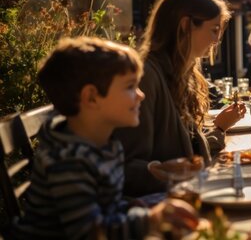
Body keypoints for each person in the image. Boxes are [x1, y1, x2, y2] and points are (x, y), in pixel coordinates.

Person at [14, 37, 198, 239]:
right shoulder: (69, 161)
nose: (141, 95)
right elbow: (91, 233)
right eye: (130, 87)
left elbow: (109, 208)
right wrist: (151, 219)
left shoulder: (105, 146)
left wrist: (138, 209)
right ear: (91, 97)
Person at [114, 0, 246, 197]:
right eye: (214, 30)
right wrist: (159, 172)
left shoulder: (182, 74)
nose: (216, 40)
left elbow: (187, 152)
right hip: (161, 205)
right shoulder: (147, 77)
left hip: (185, 191)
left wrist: (219, 130)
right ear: (185, 25)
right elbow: (124, 167)